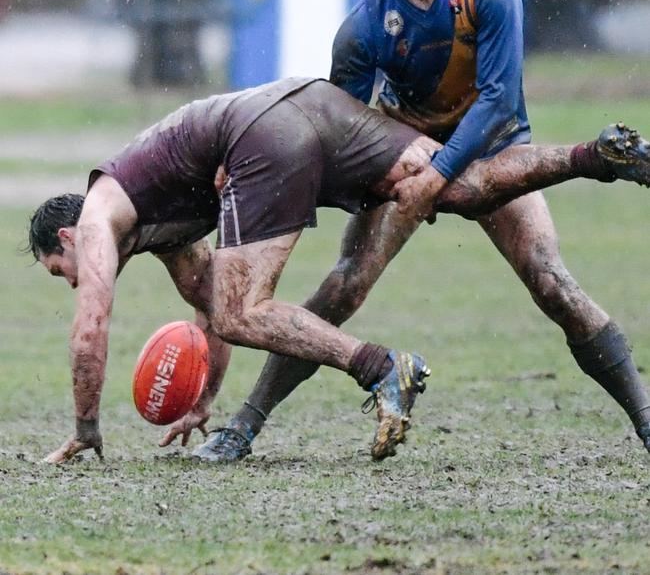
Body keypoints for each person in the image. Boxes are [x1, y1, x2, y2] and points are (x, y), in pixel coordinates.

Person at [202, 0, 650, 463]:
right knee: (343, 285)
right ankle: (241, 430)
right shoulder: (363, 28)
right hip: (402, 154)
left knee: (553, 284)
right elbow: (341, 131)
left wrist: (440, 173)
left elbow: (497, 101)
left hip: (495, 152)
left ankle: (646, 422)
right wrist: (265, 176)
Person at [29, 75, 648, 465]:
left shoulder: (96, 220)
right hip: (307, 102)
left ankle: (381, 368)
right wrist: (205, 397)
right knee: (456, 186)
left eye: (63, 271)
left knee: (247, 310)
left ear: (66, 235)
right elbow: (208, 300)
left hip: (261, 136)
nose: (76, 281)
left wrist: (86, 427)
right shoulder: (153, 224)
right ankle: (594, 156)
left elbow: (92, 328)